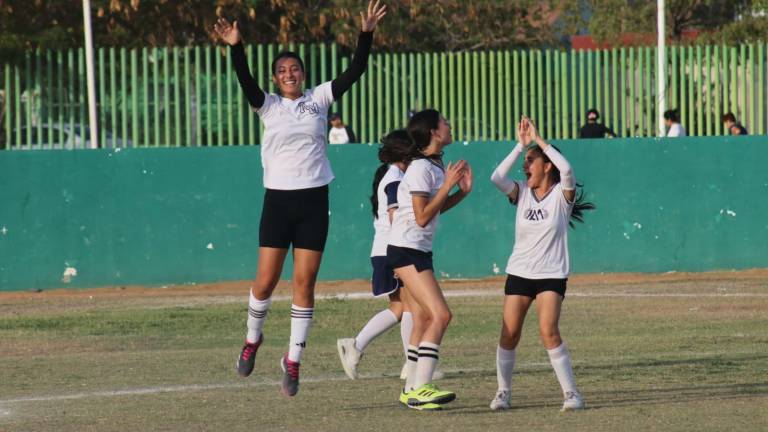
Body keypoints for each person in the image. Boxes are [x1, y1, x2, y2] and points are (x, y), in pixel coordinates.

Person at [214, 0, 387, 398]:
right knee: (265, 282)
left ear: (303, 75)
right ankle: (252, 339)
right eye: (282, 71)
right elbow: (244, 80)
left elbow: (355, 71)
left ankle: (293, 360)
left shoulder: (320, 99)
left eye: (294, 69)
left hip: (312, 202)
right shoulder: (268, 106)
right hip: (278, 202)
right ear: (275, 79)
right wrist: (236, 46)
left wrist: (366, 34)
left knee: (304, 284)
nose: (289, 74)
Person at [489, 116, 595, 412]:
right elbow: (496, 178)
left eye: (531, 160)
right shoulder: (521, 192)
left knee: (548, 329)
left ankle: (572, 394)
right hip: (520, 272)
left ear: (547, 165)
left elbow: (568, 169)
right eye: (526, 161)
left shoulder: (562, 196)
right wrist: (520, 146)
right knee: (509, 333)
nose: (526, 165)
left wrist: (539, 141)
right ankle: (503, 392)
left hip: (551, 274)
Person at [388, 109, 473, 411]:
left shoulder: (434, 165)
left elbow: (432, 210)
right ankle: (421, 387)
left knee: (423, 318)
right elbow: (422, 217)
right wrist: (448, 184)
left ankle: (411, 387)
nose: (449, 125)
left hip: (416, 250)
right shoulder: (420, 168)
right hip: (406, 250)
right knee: (442, 315)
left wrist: (460, 193)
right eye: (444, 123)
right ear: (434, 133)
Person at [336, 129, 413, 379]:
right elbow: (394, 215)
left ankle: (355, 345)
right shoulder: (394, 178)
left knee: (401, 308)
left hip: (386, 249)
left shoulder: (396, 175)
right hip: (391, 250)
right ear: (404, 152)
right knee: (410, 306)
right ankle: (411, 365)